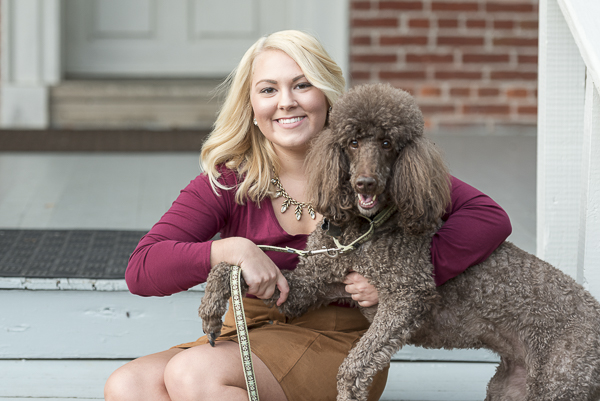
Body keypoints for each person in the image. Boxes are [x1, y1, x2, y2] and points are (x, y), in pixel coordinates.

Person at [104, 30, 512, 401]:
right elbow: (142, 269)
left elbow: (487, 216)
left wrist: (400, 279)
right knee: (127, 386)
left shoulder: (371, 165)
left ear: (328, 96)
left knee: (194, 375)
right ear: (250, 106)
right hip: (248, 331)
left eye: (302, 85)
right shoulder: (231, 180)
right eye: (268, 89)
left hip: (341, 338)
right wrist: (230, 249)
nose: (286, 101)